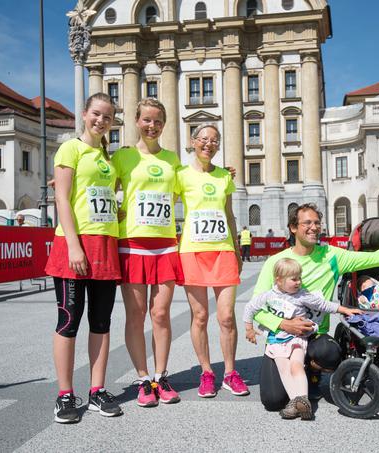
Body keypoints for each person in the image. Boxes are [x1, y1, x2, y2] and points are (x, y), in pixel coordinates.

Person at [252, 203, 379, 411]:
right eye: (307, 223)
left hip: (315, 334)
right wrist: (283, 324)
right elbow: (257, 308)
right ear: (293, 227)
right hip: (283, 336)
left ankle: (313, 373)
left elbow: (376, 258)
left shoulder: (332, 255)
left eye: (317, 223)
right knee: (273, 401)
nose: (314, 227)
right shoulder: (276, 262)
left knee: (330, 353)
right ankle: (298, 372)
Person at [44, 93, 122, 424]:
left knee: (101, 324)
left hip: (105, 246)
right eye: (96, 114)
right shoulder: (70, 149)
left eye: (107, 117)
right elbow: (61, 197)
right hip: (73, 247)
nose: (100, 121)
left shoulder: (111, 159)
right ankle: (64, 394)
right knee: (69, 321)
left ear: (112, 123)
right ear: (84, 114)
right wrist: (74, 246)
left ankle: (97, 391)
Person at [111, 98, 183, 407]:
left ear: (164, 125)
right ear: (136, 121)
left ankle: (161, 376)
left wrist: (221, 173)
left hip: (165, 245)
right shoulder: (123, 157)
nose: (151, 125)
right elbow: (100, 185)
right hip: (133, 245)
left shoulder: (172, 159)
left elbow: (190, 186)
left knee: (161, 314)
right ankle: (142, 378)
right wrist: (116, 211)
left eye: (157, 121)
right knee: (136, 315)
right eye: (146, 120)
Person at [177, 123, 248, 398]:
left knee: (227, 317)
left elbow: (229, 215)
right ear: (193, 142)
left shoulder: (224, 177)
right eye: (204, 139)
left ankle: (230, 373)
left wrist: (236, 248)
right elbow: (161, 199)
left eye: (215, 140)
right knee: (200, 316)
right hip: (192, 251)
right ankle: (206, 372)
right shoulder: (180, 175)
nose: (209, 143)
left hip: (222, 251)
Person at [243, 258, 361, 420]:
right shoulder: (268, 296)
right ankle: (295, 402)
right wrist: (249, 328)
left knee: (296, 366)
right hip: (277, 341)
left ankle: (303, 400)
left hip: (298, 339)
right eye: (294, 279)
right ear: (279, 280)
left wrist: (344, 310)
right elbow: (250, 307)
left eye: (299, 277)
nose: (299, 282)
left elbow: (323, 305)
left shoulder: (302, 295)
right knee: (284, 370)